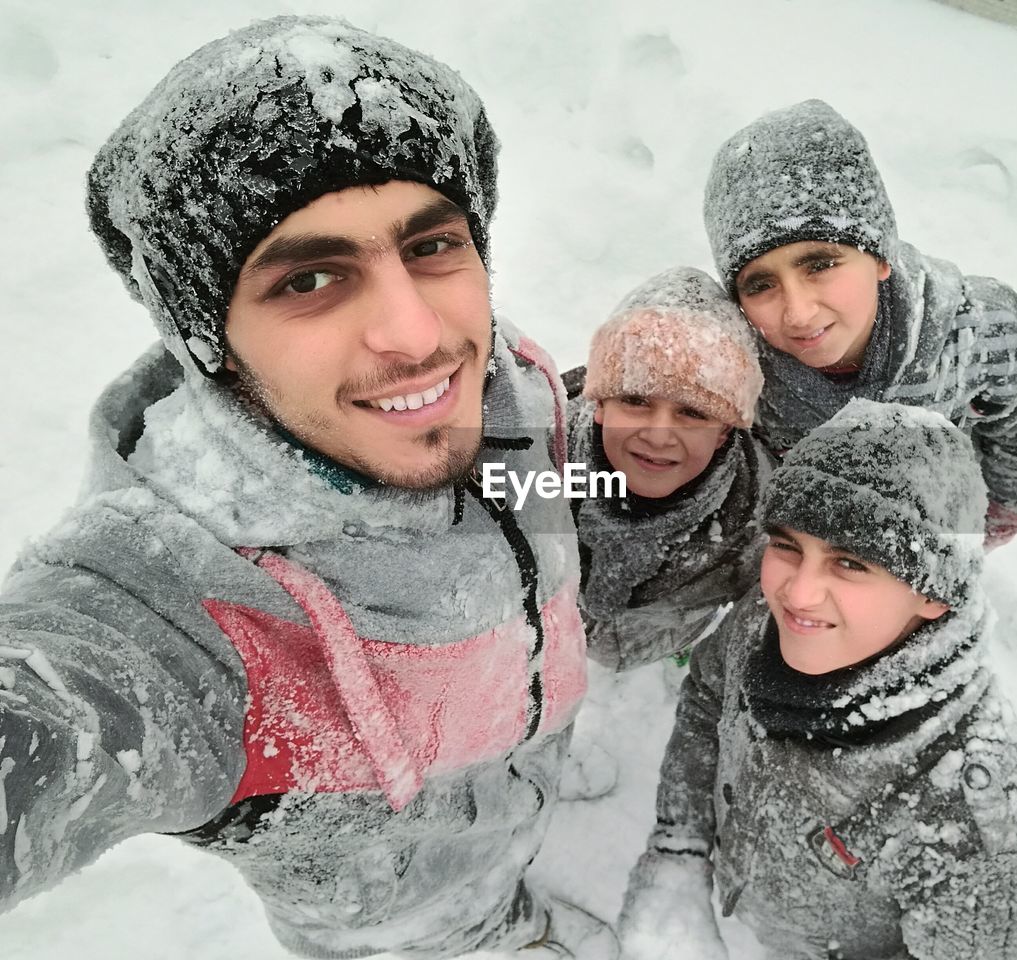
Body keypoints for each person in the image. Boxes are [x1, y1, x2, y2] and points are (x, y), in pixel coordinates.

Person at [0, 16, 617, 960]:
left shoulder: (514, 385)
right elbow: (59, 707)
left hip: (528, 752)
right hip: (400, 919)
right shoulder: (171, 606)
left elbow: (542, 517)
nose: (415, 335)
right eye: (309, 279)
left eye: (432, 246)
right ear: (210, 341)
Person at [617, 399, 1017, 960]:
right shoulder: (762, 621)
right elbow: (707, 698)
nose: (796, 594)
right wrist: (678, 849)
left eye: (851, 563)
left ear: (933, 592)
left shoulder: (980, 819)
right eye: (787, 546)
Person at [703, 99, 1017, 548]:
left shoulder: (984, 331)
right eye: (760, 285)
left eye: (819, 264)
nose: (798, 313)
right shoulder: (740, 364)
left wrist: (1004, 504)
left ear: (879, 257)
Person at [565, 266, 771, 671]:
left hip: (663, 635)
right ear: (600, 404)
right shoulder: (530, 462)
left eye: (692, 412)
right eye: (636, 401)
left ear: (724, 432)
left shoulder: (757, 521)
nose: (659, 436)